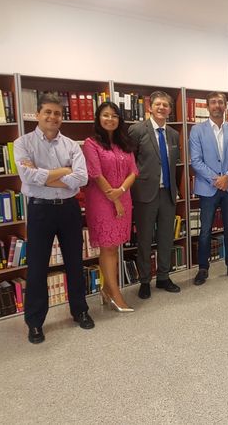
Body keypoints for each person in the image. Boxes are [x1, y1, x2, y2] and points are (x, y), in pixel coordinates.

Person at [13, 93, 94, 344]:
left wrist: (45, 176)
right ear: (38, 114)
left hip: (69, 209)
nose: (52, 117)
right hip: (40, 210)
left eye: (57, 113)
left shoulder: (71, 145)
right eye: (47, 112)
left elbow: (81, 178)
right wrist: (64, 172)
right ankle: (35, 322)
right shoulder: (23, 143)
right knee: (37, 267)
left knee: (75, 263)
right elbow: (27, 177)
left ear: (62, 117)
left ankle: (80, 311)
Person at [83, 102, 138, 312]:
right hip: (102, 201)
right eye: (105, 115)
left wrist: (121, 191)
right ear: (98, 118)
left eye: (114, 116)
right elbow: (95, 174)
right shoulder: (91, 144)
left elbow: (134, 171)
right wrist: (114, 198)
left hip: (124, 198)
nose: (110, 119)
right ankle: (115, 293)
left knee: (114, 247)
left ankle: (107, 289)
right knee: (107, 247)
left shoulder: (124, 143)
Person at [189, 92, 228, 285]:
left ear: (225, 106)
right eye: (213, 102)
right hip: (208, 188)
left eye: (220, 102)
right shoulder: (197, 130)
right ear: (207, 106)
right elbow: (196, 161)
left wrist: (227, 177)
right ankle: (203, 268)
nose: (217, 105)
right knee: (205, 231)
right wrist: (217, 180)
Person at [128, 91, 181, 299]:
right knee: (144, 239)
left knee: (166, 238)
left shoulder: (174, 134)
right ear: (150, 107)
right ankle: (144, 281)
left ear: (170, 110)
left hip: (167, 193)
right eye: (158, 104)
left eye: (165, 105)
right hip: (145, 194)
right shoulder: (137, 130)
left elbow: (174, 165)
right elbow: (130, 162)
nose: (161, 108)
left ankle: (163, 277)